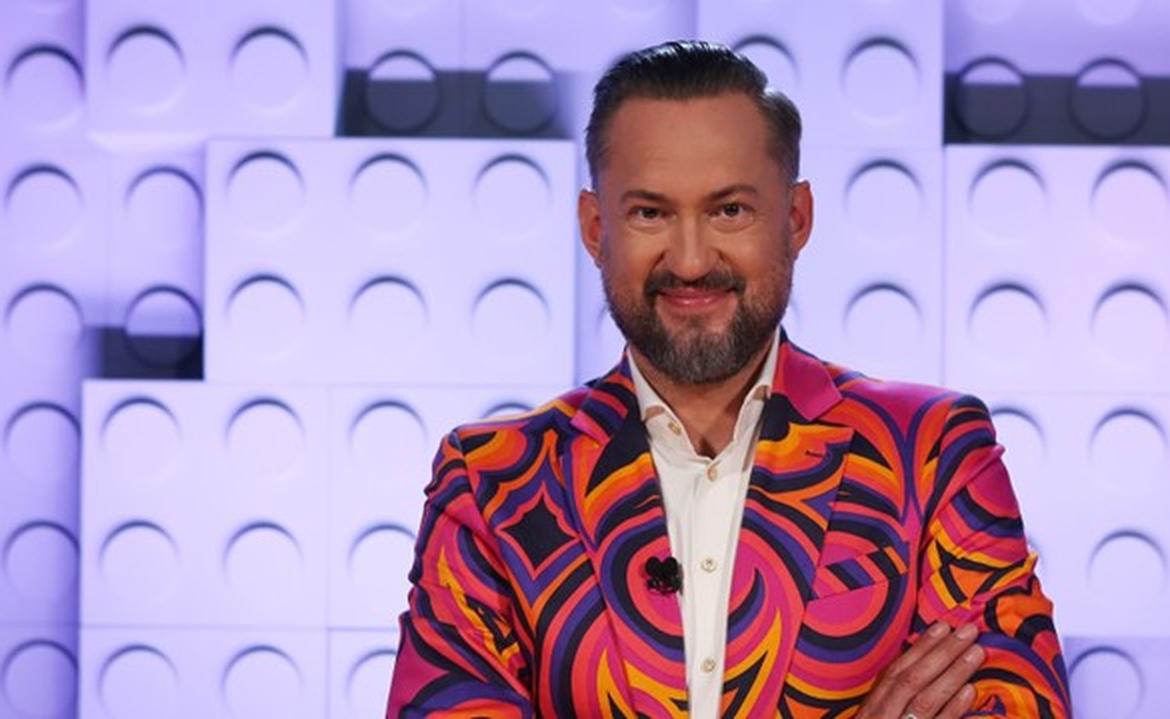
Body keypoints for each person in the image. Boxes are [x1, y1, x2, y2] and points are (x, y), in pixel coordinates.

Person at [386, 40, 1071, 718]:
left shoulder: (932, 451)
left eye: (730, 211)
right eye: (650, 212)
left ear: (796, 220)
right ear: (596, 229)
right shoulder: (491, 482)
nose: (690, 261)